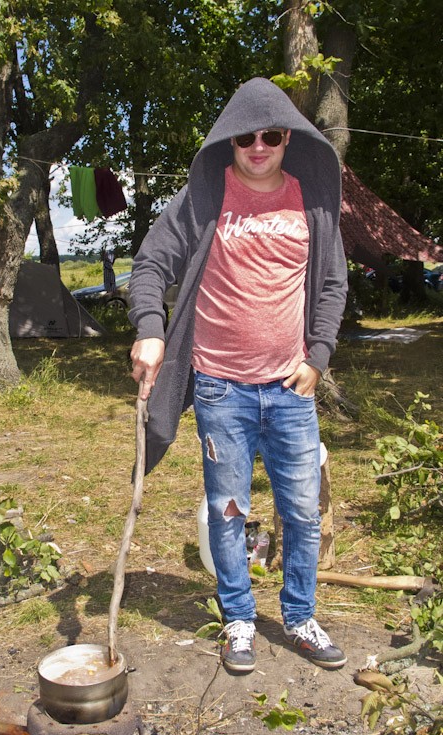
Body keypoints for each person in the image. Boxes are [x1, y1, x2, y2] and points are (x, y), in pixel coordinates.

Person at [128, 77, 348, 673]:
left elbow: (332, 285)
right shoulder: (205, 197)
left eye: (271, 135)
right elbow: (151, 263)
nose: (258, 146)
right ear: (229, 142)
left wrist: (317, 357)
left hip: (290, 388)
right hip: (220, 387)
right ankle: (240, 621)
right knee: (228, 510)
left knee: (302, 511)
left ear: (288, 140)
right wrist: (151, 328)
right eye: (245, 136)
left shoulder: (311, 201)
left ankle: (300, 616)